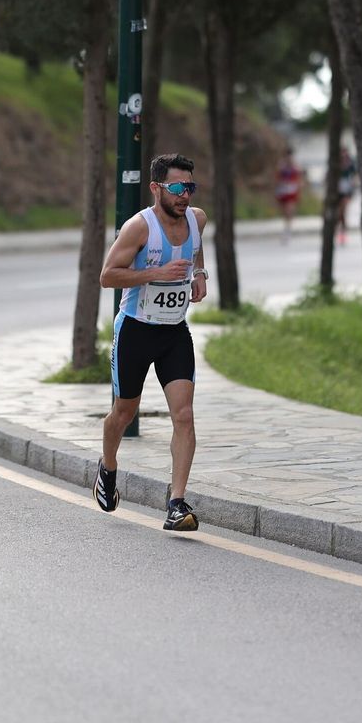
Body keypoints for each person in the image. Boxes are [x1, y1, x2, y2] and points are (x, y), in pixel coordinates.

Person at [95, 153, 209, 531]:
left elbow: (196, 249)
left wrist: (200, 274)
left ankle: (176, 503)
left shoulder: (197, 219)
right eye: (177, 188)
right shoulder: (138, 228)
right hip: (136, 331)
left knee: (184, 415)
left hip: (174, 332)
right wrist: (156, 273)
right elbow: (108, 276)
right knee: (123, 414)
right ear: (156, 188)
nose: (185, 196)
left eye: (189, 187)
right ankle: (108, 466)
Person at [274, 147, 303, 243]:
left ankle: (287, 231)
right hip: (283, 192)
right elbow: (277, 178)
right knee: (285, 213)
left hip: (292, 192)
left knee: (289, 210)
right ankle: (286, 229)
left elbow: (299, 178)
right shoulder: (281, 166)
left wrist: (299, 189)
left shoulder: (295, 166)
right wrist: (277, 191)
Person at [335, 147, 357, 245]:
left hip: (347, 190)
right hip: (337, 191)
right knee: (339, 213)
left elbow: (355, 176)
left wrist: (353, 183)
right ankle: (340, 231)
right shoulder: (336, 163)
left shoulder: (351, 164)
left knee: (343, 210)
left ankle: (343, 233)